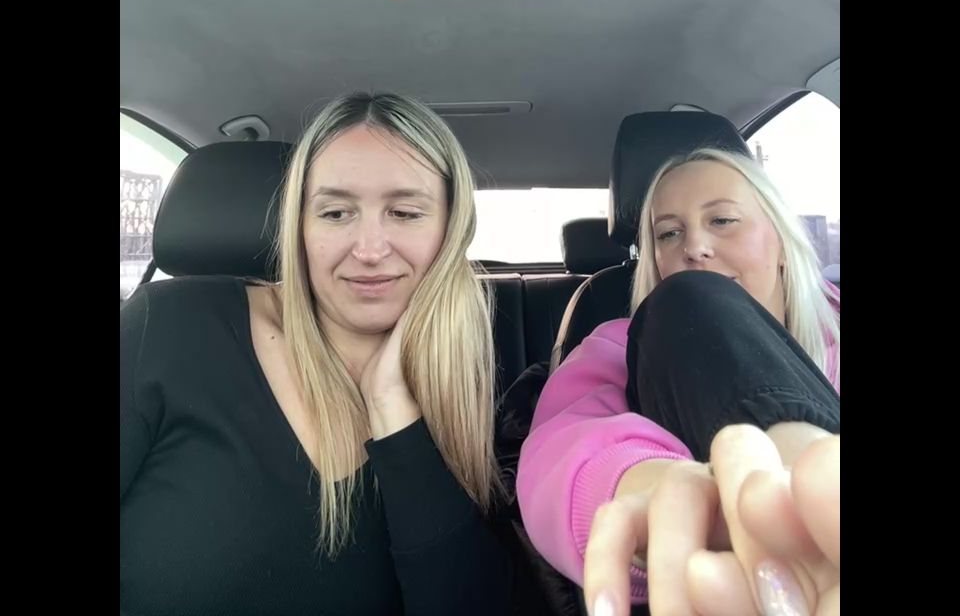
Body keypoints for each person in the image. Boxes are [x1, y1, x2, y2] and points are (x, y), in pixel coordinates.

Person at [121, 92, 511, 616]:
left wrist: (394, 409)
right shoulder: (168, 326)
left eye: (404, 212)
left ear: (450, 230)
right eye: (336, 212)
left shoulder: (466, 382)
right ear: (299, 225)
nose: (369, 250)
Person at [517, 147, 840, 615]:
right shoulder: (616, 346)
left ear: (781, 240)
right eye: (669, 233)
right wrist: (662, 495)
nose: (695, 246)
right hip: (719, 588)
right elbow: (563, 448)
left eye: (722, 221)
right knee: (688, 301)